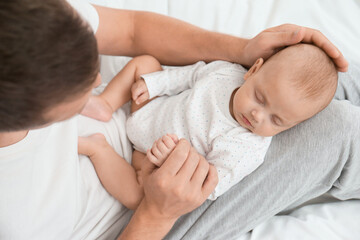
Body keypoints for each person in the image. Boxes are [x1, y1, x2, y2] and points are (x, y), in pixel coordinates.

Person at [0, 0, 354, 239]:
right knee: (337, 131)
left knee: (317, 76)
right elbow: (211, 183)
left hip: (147, 125)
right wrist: (157, 213)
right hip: (149, 207)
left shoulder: (27, 17)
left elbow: (131, 30)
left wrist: (242, 52)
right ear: (35, 115)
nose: (97, 81)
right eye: (81, 84)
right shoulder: (16, 214)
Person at [79, 43, 338, 206]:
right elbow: (190, 75)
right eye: (260, 98)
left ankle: (99, 149)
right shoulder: (227, 73)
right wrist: (154, 84)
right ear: (254, 70)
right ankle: (105, 104)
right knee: (146, 63)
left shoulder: (247, 149)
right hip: (149, 108)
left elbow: (209, 188)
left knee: (138, 197)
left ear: (288, 127)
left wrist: (170, 162)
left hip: (150, 157)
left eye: (276, 120)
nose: (259, 116)